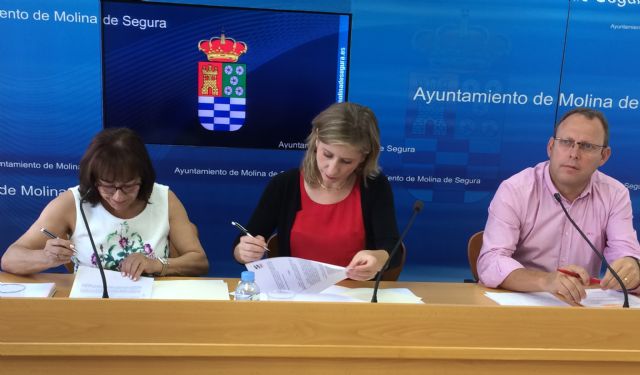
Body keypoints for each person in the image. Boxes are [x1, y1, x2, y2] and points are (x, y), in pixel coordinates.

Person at [477, 107, 640, 304]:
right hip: (521, 303)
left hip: (581, 306)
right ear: (551, 147)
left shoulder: (615, 194)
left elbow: (625, 252)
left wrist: (631, 266)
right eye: (566, 142)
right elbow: (491, 262)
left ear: (604, 156)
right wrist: (546, 281)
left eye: (587, 146)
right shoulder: (516, 190)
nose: (574, 153)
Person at [1, 127, 209, 280]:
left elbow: (198, 261)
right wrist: (46, 257)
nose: (118, 197)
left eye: (128, 186)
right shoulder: (71, 203)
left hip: (151, 305)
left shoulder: (164, 199)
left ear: (143, 179)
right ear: (93, 180)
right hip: (90, 305)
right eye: (108, 186)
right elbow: (10, 259)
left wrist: (155, 264)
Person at [233, 102, 400, 281]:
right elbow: (241, 245)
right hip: (296, 293)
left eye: (346, 161)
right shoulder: (285, 185)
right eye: (327, 154)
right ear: (317, 139)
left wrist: (378, 258)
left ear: (364, 157)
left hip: (356, 293)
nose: (332, 169)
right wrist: (244, 251)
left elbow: (393, 249)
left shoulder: (373, 186)